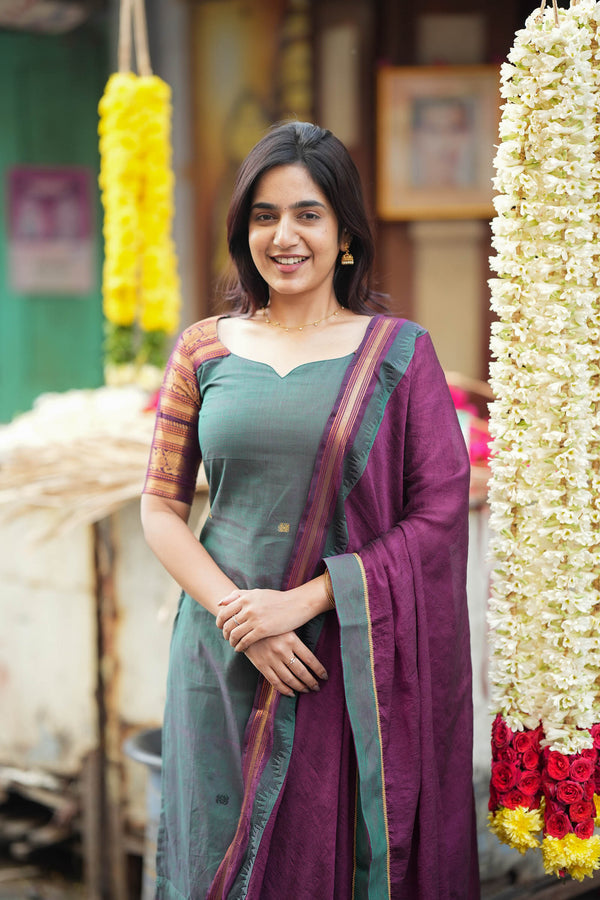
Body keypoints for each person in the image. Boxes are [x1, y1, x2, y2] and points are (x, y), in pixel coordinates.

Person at [141, 121, 479, 899]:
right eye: (264, 215)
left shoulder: (398, 353)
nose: (283, 236)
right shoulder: (203, 349)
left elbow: (435, 515)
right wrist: (240, 616)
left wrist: (302, 602)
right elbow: (159, 508)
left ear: (344, 233)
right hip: (220, 658)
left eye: (307, 214)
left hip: (340, 660)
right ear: (242, 230)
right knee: (212, 864)